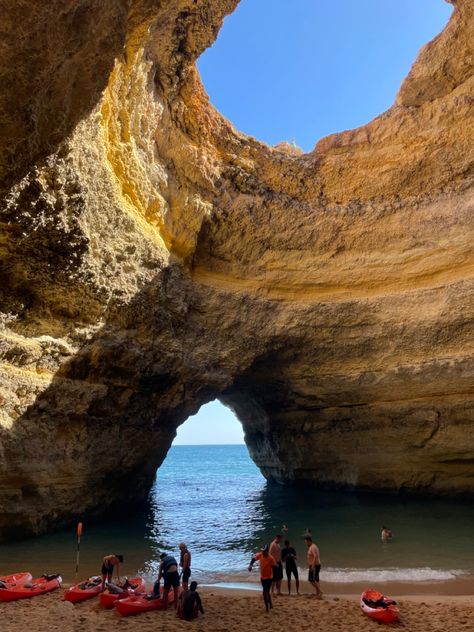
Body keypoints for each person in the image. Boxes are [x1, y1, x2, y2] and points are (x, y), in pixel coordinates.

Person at [248, 545, 276, 612]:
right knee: (266, 592)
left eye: (264, 551)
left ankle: (267, 608)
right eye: (262, 551)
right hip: (263, 577)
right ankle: (270, 603)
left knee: (265, 592)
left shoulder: (271, 558)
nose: (263, 552)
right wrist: (250, 566)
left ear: (267, 551)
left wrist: (274, 578)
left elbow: (274, 567)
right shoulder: (260, 555)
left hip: (269, 578)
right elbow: (253, 559)